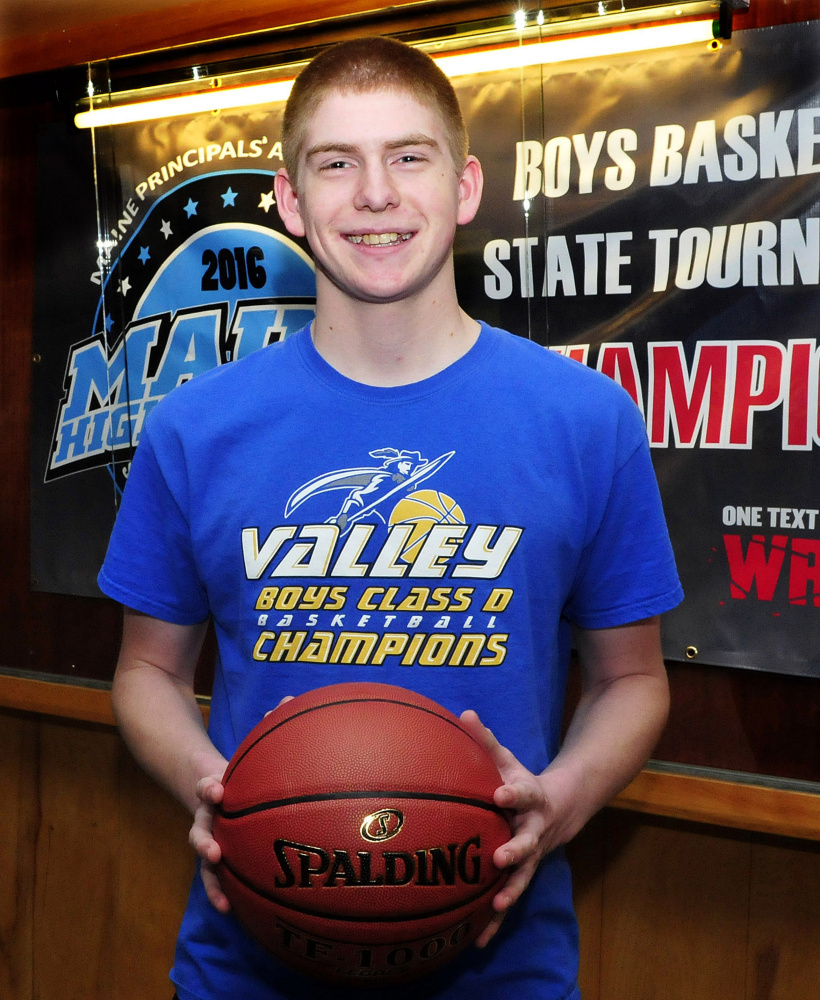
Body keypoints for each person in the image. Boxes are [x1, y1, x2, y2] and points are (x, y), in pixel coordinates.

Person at [99, 35, 683, 1000]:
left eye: (409, 157)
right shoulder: (198, 426)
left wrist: (562, 799)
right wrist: (216, 792)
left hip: (501, 966)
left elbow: (635, 681)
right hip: (247, 962)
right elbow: (144, 671)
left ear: (463, 188)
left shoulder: (585, 419)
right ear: (290, 201)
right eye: (337, 163)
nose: (375, 194)